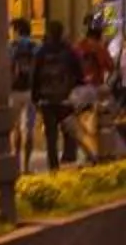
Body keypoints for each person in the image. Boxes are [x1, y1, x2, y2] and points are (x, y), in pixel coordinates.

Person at [31, 17, 82, 169]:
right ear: (62, 33)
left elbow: (35, 75)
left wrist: (35, 97)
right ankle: (68, 159)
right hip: (65, 98)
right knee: (69, 132)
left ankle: (53, 165)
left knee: (51, 136)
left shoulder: (41, 51)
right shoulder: (69, 51)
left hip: (46, 100)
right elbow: (79, 74)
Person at [8, 15, 39, 165]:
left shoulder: (11, 46)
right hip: (31, 91)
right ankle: (26, 164)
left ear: (17, 30)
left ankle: (16, 161)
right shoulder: (36, 47)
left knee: (15, 128)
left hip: (14, 91)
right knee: (29, 128)